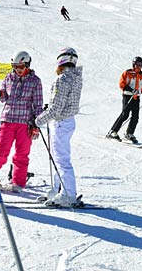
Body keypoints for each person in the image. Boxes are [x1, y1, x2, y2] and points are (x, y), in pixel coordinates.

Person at [0, 51, 43, 192]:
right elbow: (5, 97)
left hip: (25, 122)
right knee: (1, 152)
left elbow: (38, 104)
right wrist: (1, 94)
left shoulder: (35, 81)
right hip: (8, 120)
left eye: (20, 67)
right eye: (15, 66)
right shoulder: (9, 77)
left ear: (27, 65)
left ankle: (18, 183)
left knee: (22, 154)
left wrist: (36, 125)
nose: (17, 70)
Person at [35, 48, 83, 207]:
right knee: (57, 157)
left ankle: (69, 194)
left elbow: (56, 109)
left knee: (61, 159)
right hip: (67, 121)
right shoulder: (75, 78)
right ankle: (57, 189)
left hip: (61, 122)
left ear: (61, 61)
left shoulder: (62, 79)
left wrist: (38, 120)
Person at [106, 56, 142, 143]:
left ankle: (129, 133)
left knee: (135, 116)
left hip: (136, 97)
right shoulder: (128, 73)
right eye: (137, 64)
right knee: (125, 115)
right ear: (133, 64)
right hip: (128, 96)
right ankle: (113, 131)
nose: (139, 66)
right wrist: (131, 90)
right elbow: (122, 84)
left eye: (140, 65)